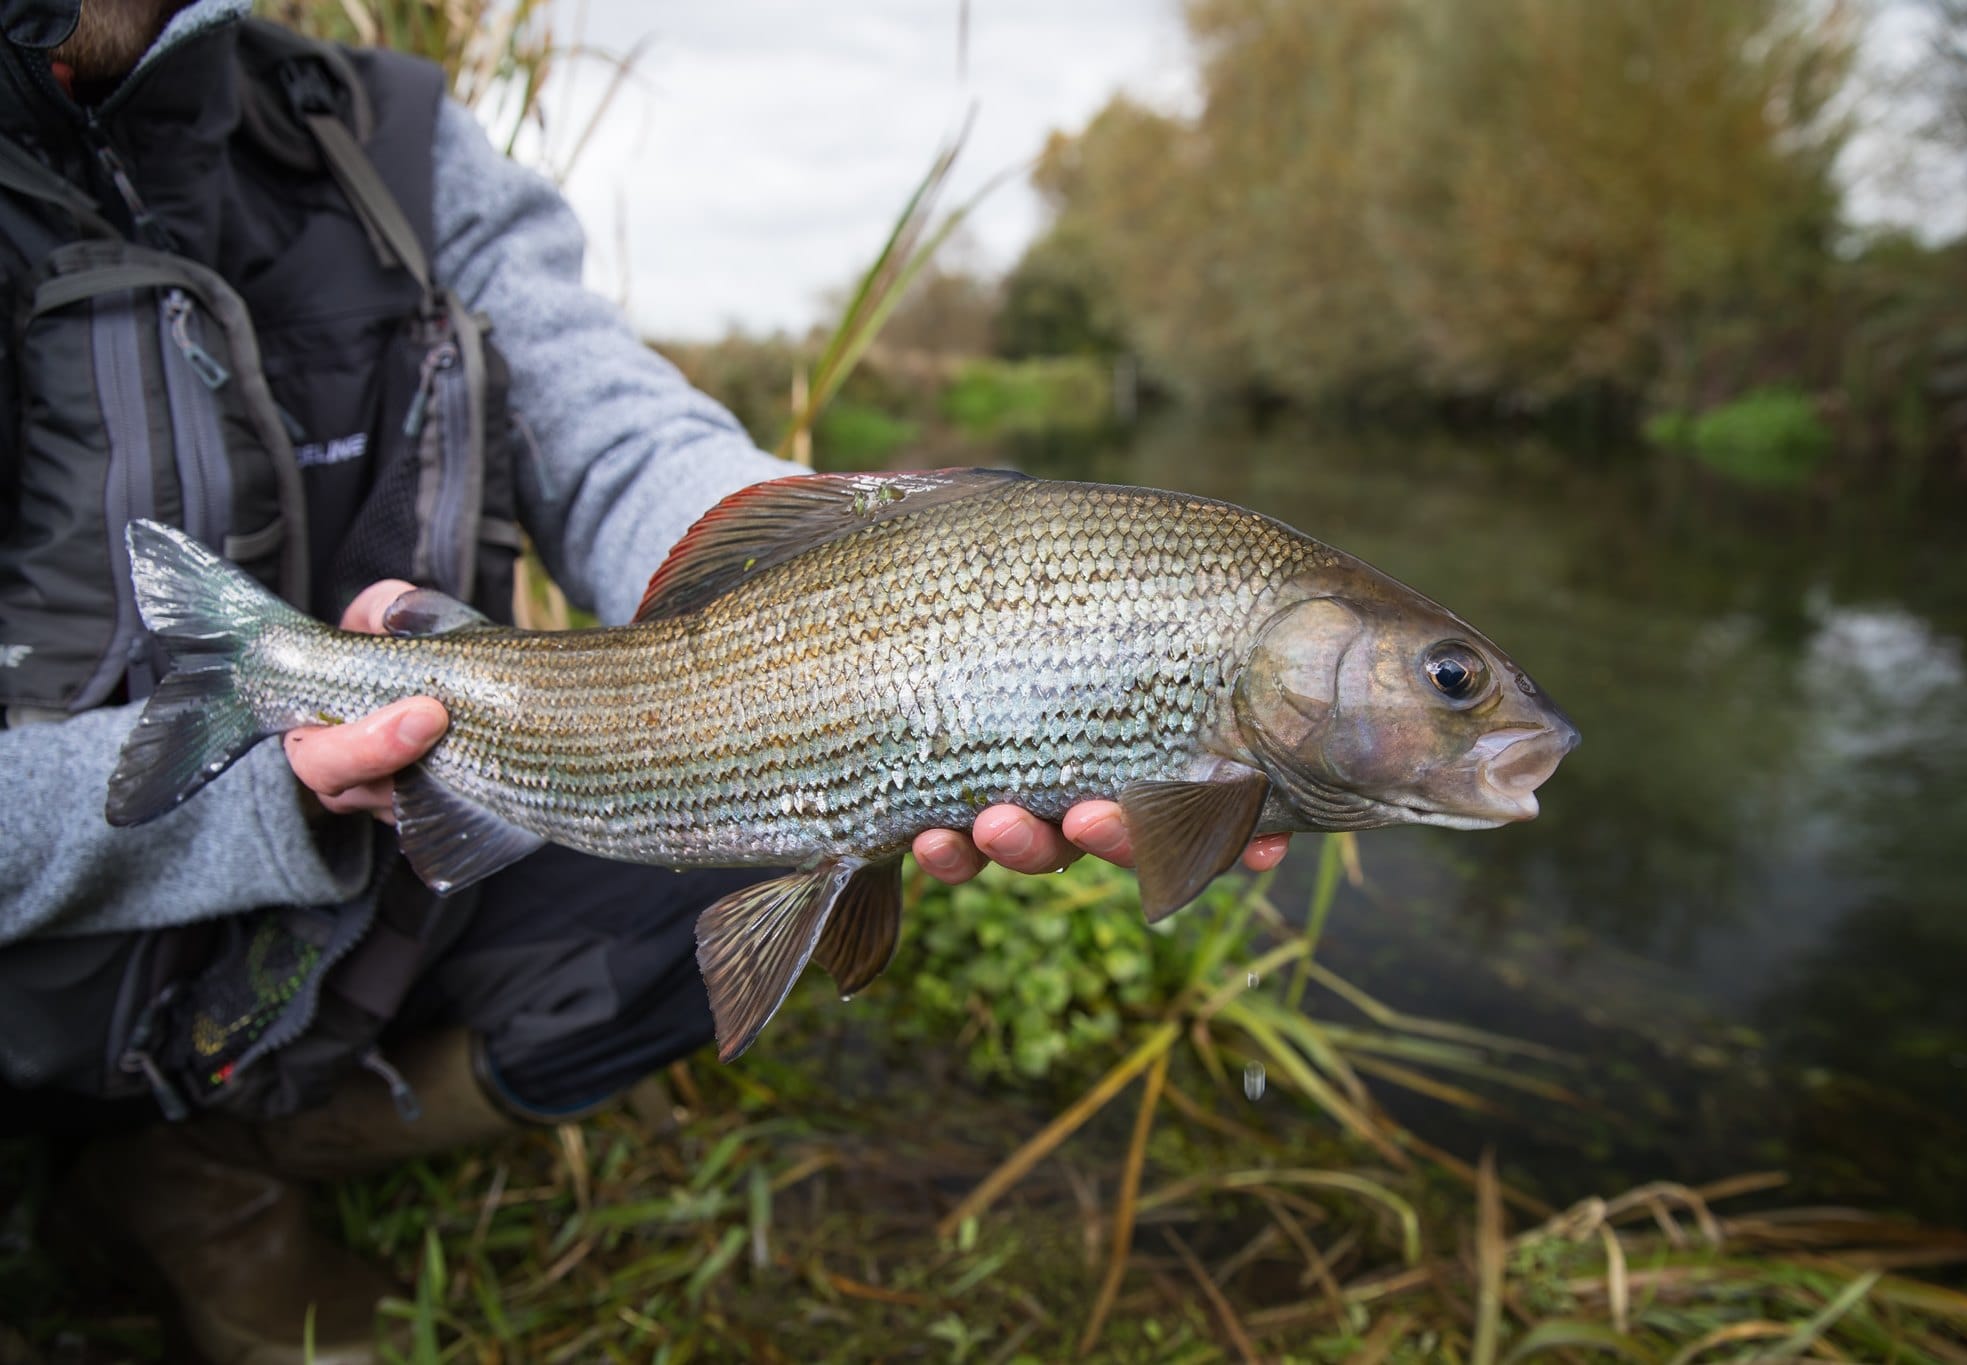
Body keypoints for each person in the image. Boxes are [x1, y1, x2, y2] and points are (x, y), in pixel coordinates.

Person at [0, 1, 1288, 1359]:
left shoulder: (381, 133)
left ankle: (216, 1167)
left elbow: (612, 439)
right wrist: (256, 797)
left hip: (364, 874)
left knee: (751, 862)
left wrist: (848, 583)